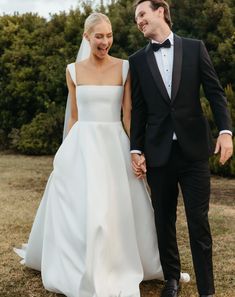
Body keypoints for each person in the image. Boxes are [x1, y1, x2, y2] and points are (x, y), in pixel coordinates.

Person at [14, 12, 190, 297]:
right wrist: (65, 150)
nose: (105, 41)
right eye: (99, 36)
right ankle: (82, 262)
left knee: (117, 205)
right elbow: (73, 116)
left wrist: (137, 150)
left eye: (109, 35)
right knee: (85, 206)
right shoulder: (72, 70)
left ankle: (122, 261)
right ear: (87, 37)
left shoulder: (124, 68)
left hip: (113, 144)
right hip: (82, 146)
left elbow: (128, 114)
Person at [129, 1, 233, 297]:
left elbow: (214, 93)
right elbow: (138, 109)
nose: (138, 21)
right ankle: (171, 280)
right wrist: (135, 148)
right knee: (163, 220)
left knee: (198, 220)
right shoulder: (136, 60)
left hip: (194, 152)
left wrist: (225, 131)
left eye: (141, 14)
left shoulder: (194, 47)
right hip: (158, 153)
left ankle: (207, 290)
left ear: (160, 10)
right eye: (136, 18)